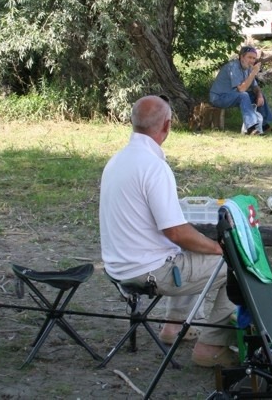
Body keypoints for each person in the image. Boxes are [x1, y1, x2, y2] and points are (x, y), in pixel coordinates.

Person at [99, 95, 236, 368]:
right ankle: (211, 347)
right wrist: (218, 248)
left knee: (190, 253)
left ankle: (173, 327)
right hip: (147, 271)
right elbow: (176, 232)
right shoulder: (154, 167)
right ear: (167, 126)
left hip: (117, 265)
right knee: (235, 265)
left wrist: (200, 244)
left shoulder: (117, 160)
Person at [210, 45, 272, 135]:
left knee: (258, 94)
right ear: (241, 57)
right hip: (219, 97)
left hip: (232, 95)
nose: (252, 61)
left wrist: (259, 95)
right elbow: (241, 89)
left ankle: (263, 124)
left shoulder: (247, 68)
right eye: (249, 57)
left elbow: (255, 87)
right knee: (243, 95)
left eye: (254, 58)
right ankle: (250, 128)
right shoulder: (234, 67)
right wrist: (253, 73)